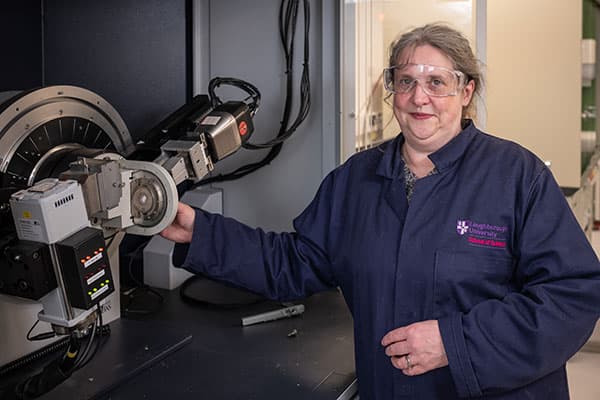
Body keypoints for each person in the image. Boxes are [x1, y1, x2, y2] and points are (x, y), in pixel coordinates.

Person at [161, 23, 600, 399]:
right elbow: (296, 262)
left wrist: (455, 343)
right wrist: (200, 232)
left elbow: (572, 294)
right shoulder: (358, 179)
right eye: (405, 81)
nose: (419, 97)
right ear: (392, 91)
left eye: (437, 82)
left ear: (466, 92)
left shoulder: (516, 176)